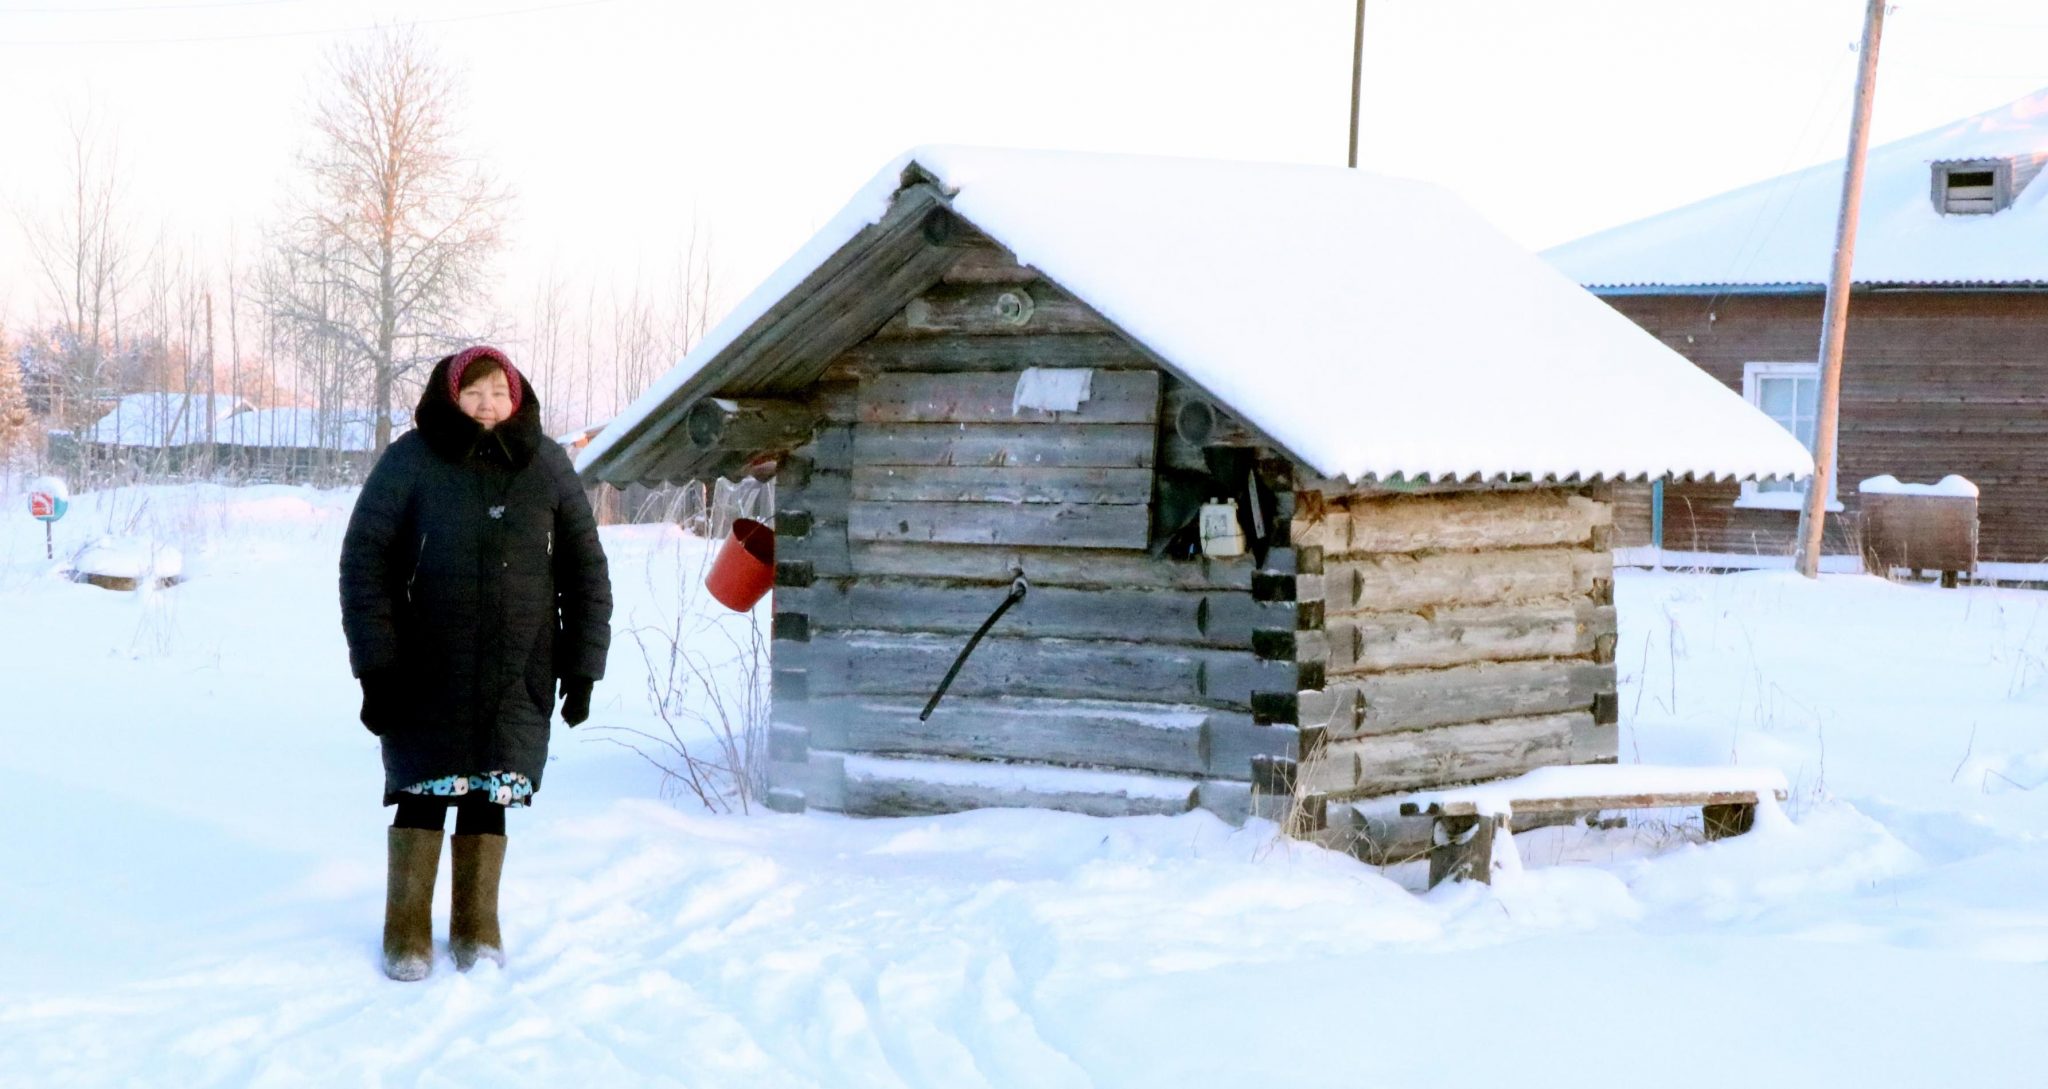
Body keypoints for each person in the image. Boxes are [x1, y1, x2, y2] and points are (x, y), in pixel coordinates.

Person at [339, 345, 612, 981]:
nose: (488, 405)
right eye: (475, 393)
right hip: (425, 661)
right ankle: (405, 931)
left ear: (516, 399)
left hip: (519, 664)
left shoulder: (545, 463)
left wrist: (582, 666)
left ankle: (475, 927)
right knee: (423, 790)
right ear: (451, 395)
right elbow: (365, 562)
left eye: (499, 393)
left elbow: (585, 568)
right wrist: (376, 668)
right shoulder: (411, 459)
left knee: (489, 792)